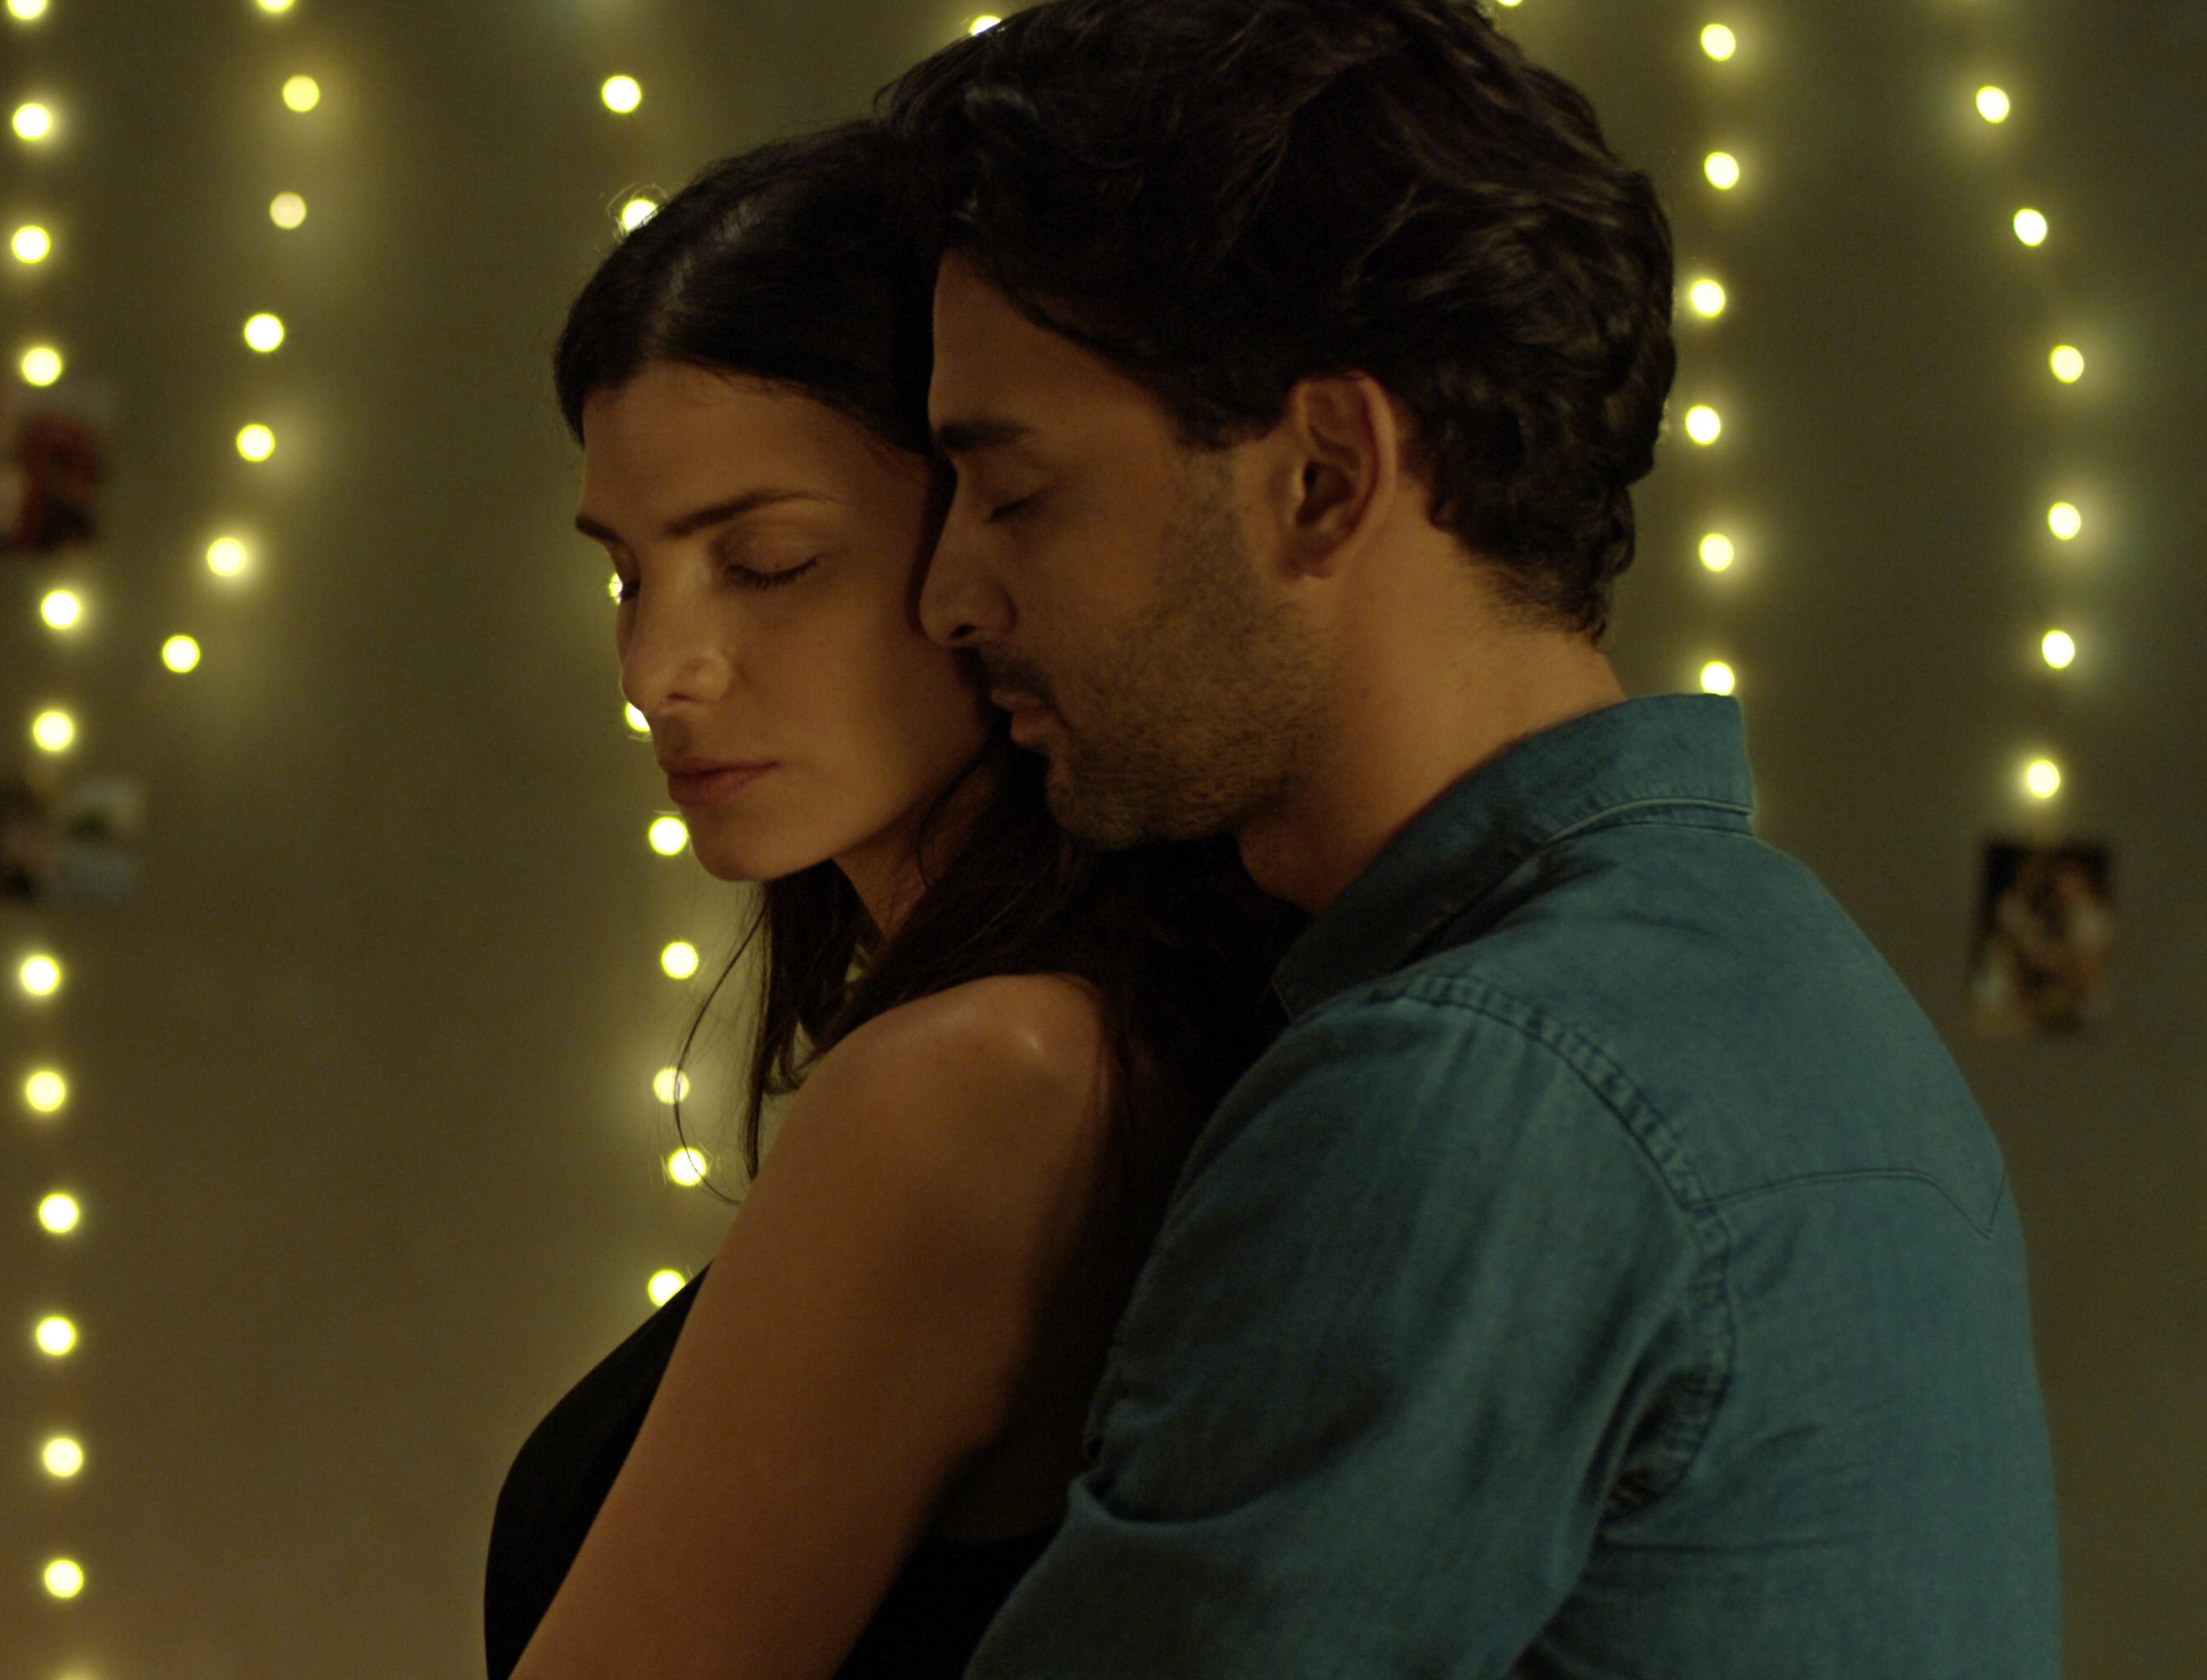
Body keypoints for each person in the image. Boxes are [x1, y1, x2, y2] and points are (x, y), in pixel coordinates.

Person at [881, 1, 2064, 1673]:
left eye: (1015, 492)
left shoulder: (1469, 1089)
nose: (948, 593)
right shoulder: (1796, 984)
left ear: (1324, 476)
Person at [483, 120, 1304, 1680]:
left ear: (988, 536)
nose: (658, 670)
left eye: (768, 562)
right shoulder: (1048, 1030)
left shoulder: (986, 1074)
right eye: (629, 575)